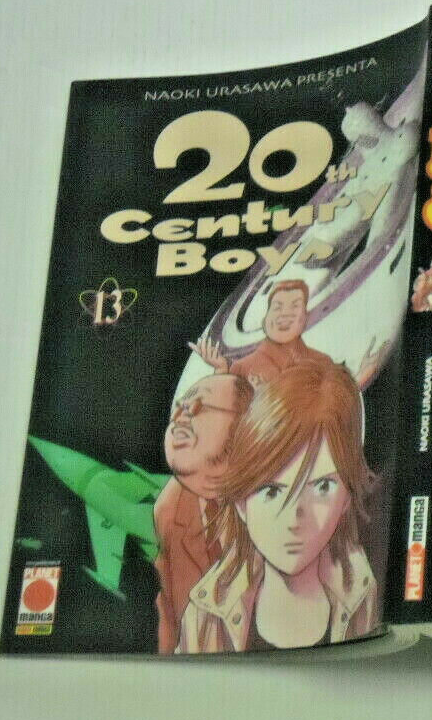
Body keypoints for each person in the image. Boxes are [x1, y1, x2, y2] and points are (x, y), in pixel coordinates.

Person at [176, 358, 377, 653]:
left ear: (347, 497)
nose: (295, 517)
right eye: (271, 490)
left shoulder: (366, 599)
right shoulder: (207, 613)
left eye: (322, 487)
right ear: (241, 503)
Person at [154, 373, 254, 654]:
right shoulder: (170, 508)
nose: (180, 416)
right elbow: (171, 618)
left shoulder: (280, 499)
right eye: (180, 406)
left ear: (244, 428)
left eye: (199, 406)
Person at [191, 280, 331, 386]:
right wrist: (221, 371)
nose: (285, 314)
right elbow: (227, 411)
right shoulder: (242, 368)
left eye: (295, 306)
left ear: (306, 317)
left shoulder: (323, 363)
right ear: (264, 321)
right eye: (277, 307)